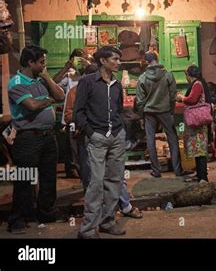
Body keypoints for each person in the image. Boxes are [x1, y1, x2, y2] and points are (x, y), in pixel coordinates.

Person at [7, 45, 65, 234]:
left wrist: (47, 77)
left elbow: (60, 96)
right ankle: (18, 219)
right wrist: (47, 101)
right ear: (30, 62)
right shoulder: (16, 82)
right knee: (25, 180)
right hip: (28, 139)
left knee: (49, 178)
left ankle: (46, 212)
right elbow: (31, 105)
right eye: (41, 62)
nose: (44, 65)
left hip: (48, 136)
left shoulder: (40, 79)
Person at [74, 46, 127, 238]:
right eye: (115, 59)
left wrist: (121, 130)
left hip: (116, 137)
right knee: (95, 183)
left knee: (114, 181)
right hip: (97, 138)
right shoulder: (87, 82)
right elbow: (78, 112)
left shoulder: (116, 84)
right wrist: (90, 132)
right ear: (103, 61)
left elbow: (119, 109)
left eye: (119, 59)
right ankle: (87, 229)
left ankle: (107, 221)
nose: (118, 62)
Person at [135, 51, 191, 178]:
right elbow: (173, 95)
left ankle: (156, 171)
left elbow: (139, 100)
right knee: (172, 138)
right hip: (165, 110)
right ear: (157, 59)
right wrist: (171, 110)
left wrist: (142, 115)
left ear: (146, 62)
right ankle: (178, 170)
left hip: (149, 112)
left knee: (150, 139)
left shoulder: (142, 78)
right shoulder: (168, 75)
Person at [58, 49, 92, 178]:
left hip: (88, 122)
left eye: (83, 59)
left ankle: (85, 177)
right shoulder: (70, 76)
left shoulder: (91, 76)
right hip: (72, 120)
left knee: (86, 153)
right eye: (78, 59)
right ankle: (78, 173)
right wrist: (65, 68)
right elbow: (55, 83)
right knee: (74, 151)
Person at [176, 65, 211, 183]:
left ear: (189, 75)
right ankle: (200, 174)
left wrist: (182, 97)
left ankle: (203, 177)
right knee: (198, 149)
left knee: (200, 150)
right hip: (198, 123)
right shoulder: (201, 83)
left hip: (198, 123)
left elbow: (192, 99)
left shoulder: (197, 84)